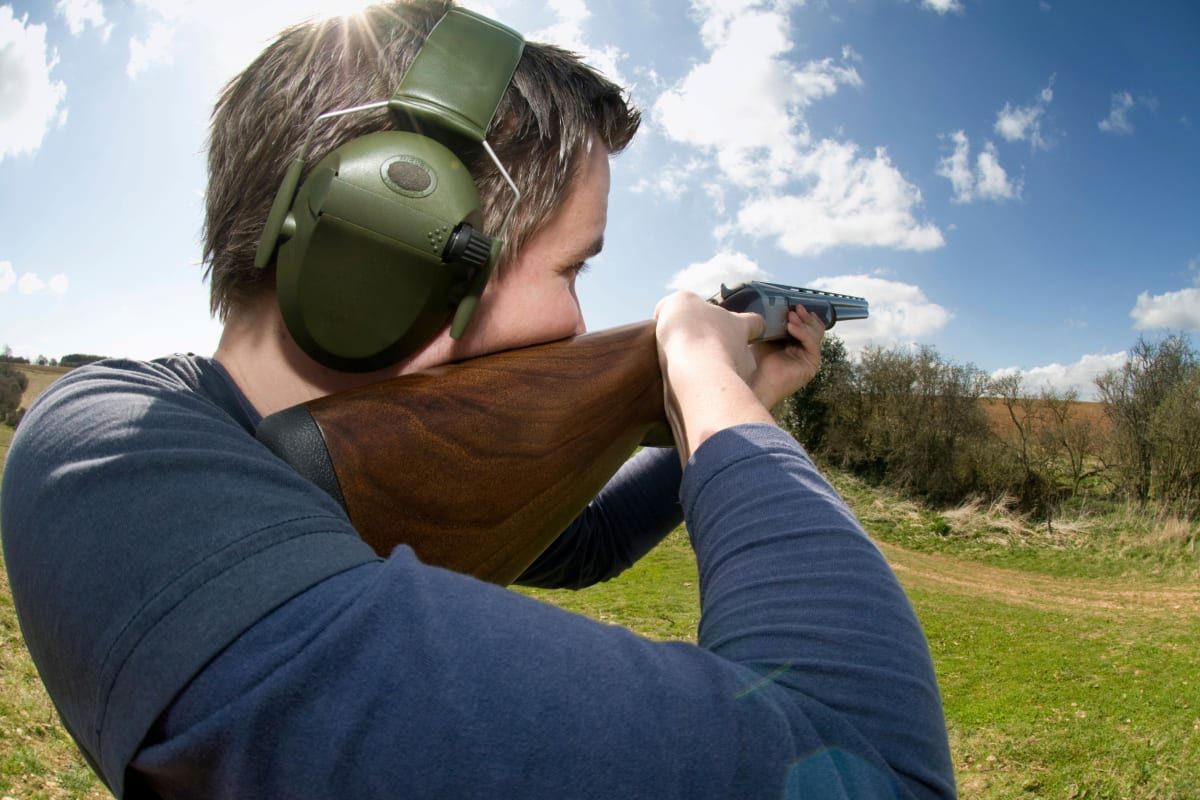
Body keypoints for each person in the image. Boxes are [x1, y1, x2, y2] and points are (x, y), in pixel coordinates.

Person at [0, 2, 957, 798]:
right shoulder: (103, 457)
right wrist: (703, 380)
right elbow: (866, 758)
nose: (582, 324)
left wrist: (724, 400)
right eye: (574, 267)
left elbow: (576, 544)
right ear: (388, 240)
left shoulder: (227, 466)